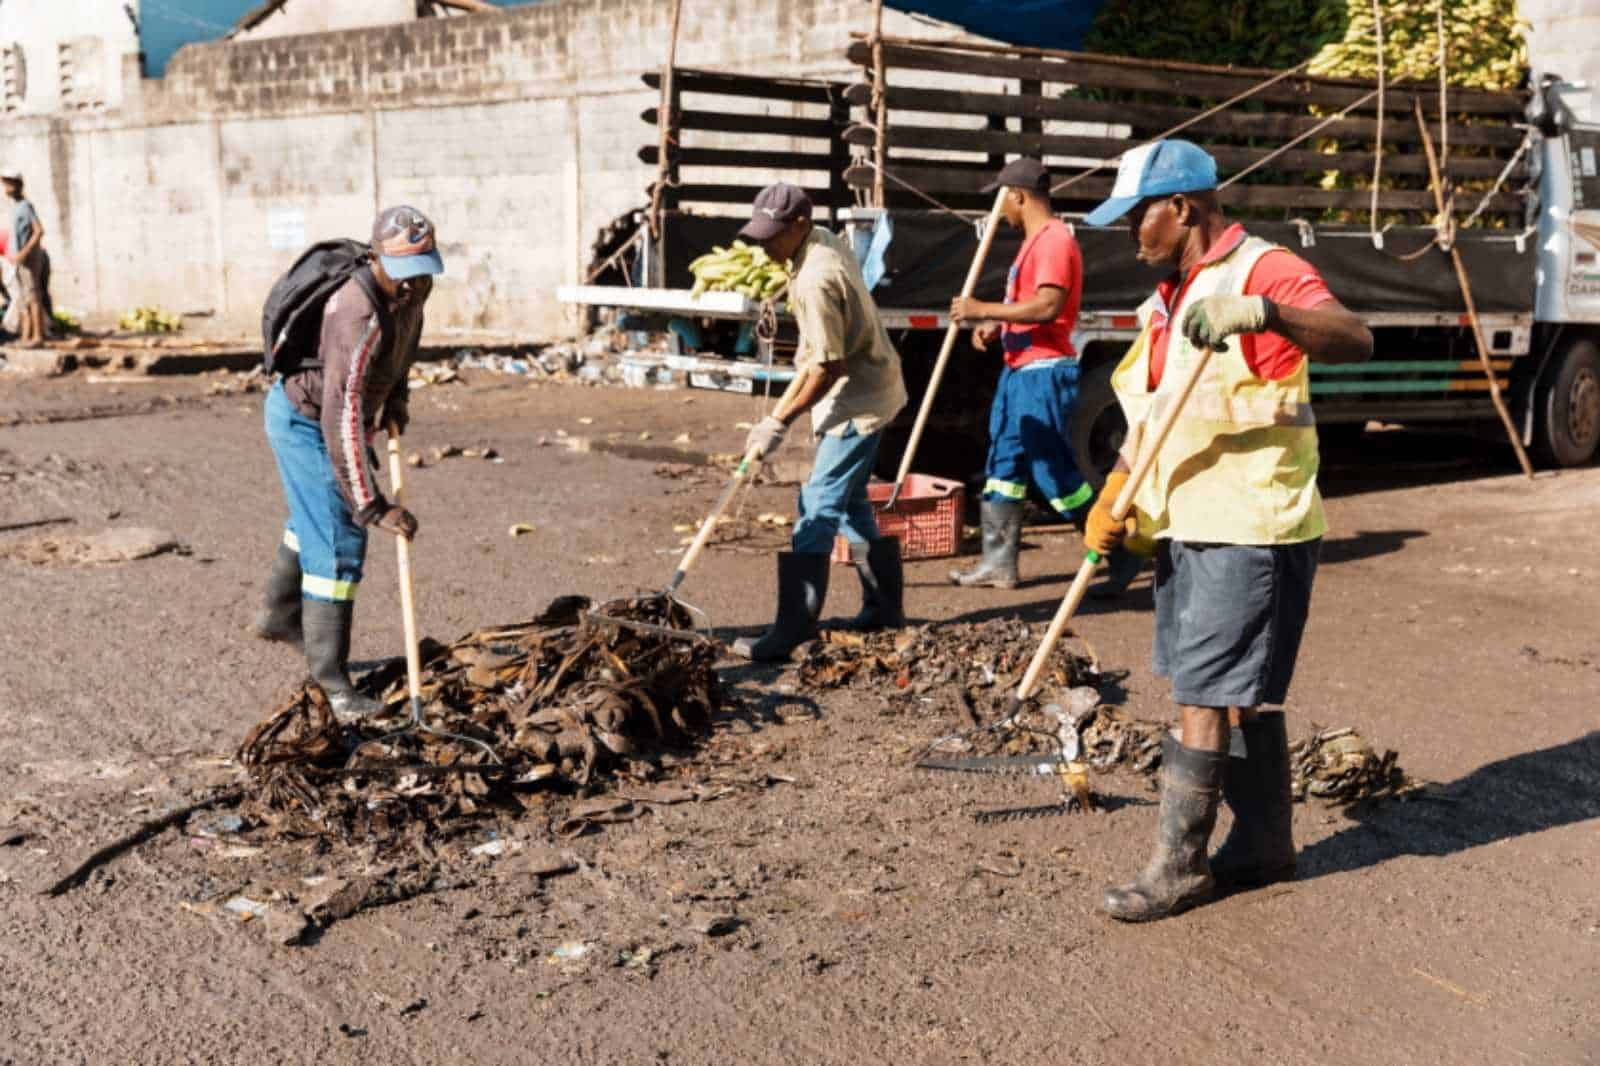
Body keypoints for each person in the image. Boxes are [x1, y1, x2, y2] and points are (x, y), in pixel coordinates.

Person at [1080, 140, 1372, 922]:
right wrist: (1115, 494)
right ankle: (1265, 847)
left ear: (1183, 207)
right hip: (1190, 519)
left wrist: (1267, 314)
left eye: (1138, 216)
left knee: (1203, 694)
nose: (1130, 234)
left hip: (1252, 519)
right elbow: (1151, 413)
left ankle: (1178, 867)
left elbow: (1355, 337)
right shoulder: (1169, 297)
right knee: (1237, 695)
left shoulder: (1260, 272)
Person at [253, 206, 444, 722]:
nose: (412, 287)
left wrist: (398, 399)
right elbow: (341, 415)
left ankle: (277, 615)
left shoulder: (415, 288)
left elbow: (403, 347)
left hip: (339, 415)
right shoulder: (353, 310)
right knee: (340, 540)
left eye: (422, 271)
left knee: (314, 516)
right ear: (377, 258)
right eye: (403, 275)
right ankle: (333, 685)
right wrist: (371, 505)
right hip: (306, 420)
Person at [729, 183, 909, 661]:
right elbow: (820, 357)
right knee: (852, 505)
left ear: (801, 226)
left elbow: (830, 368)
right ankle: (885, 609)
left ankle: (792, 629)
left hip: (858, 402)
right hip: (874, 385)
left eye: (773, 236)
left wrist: (778, 422)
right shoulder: (822, 241)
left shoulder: (815, 279)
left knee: (817, 509)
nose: (765, 246)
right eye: (760, 235)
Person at [946, 158, 1094, 589]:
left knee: (1052, 472)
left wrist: (982, 309)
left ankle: (1114, 544)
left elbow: (1049, 306)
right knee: (1003, 464)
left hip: (1043, 373)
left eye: (1001, 200)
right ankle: (998, 563)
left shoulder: (1053, 241)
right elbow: (1033, 308)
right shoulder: (1035, 240)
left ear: (1018, 196)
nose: (1000, 212)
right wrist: (1000, 325)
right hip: (1020, 371)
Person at [3, 171, 46, 348]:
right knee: (23, 298)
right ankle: (26, 336)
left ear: (18, 185)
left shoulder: (26, 206)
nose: (5, 187)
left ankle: (37, 336)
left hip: (28, 260)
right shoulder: (15, 207)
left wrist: (24, 252)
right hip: (17, 261)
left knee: (33, 296)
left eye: (8, 183)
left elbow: (39, 230)